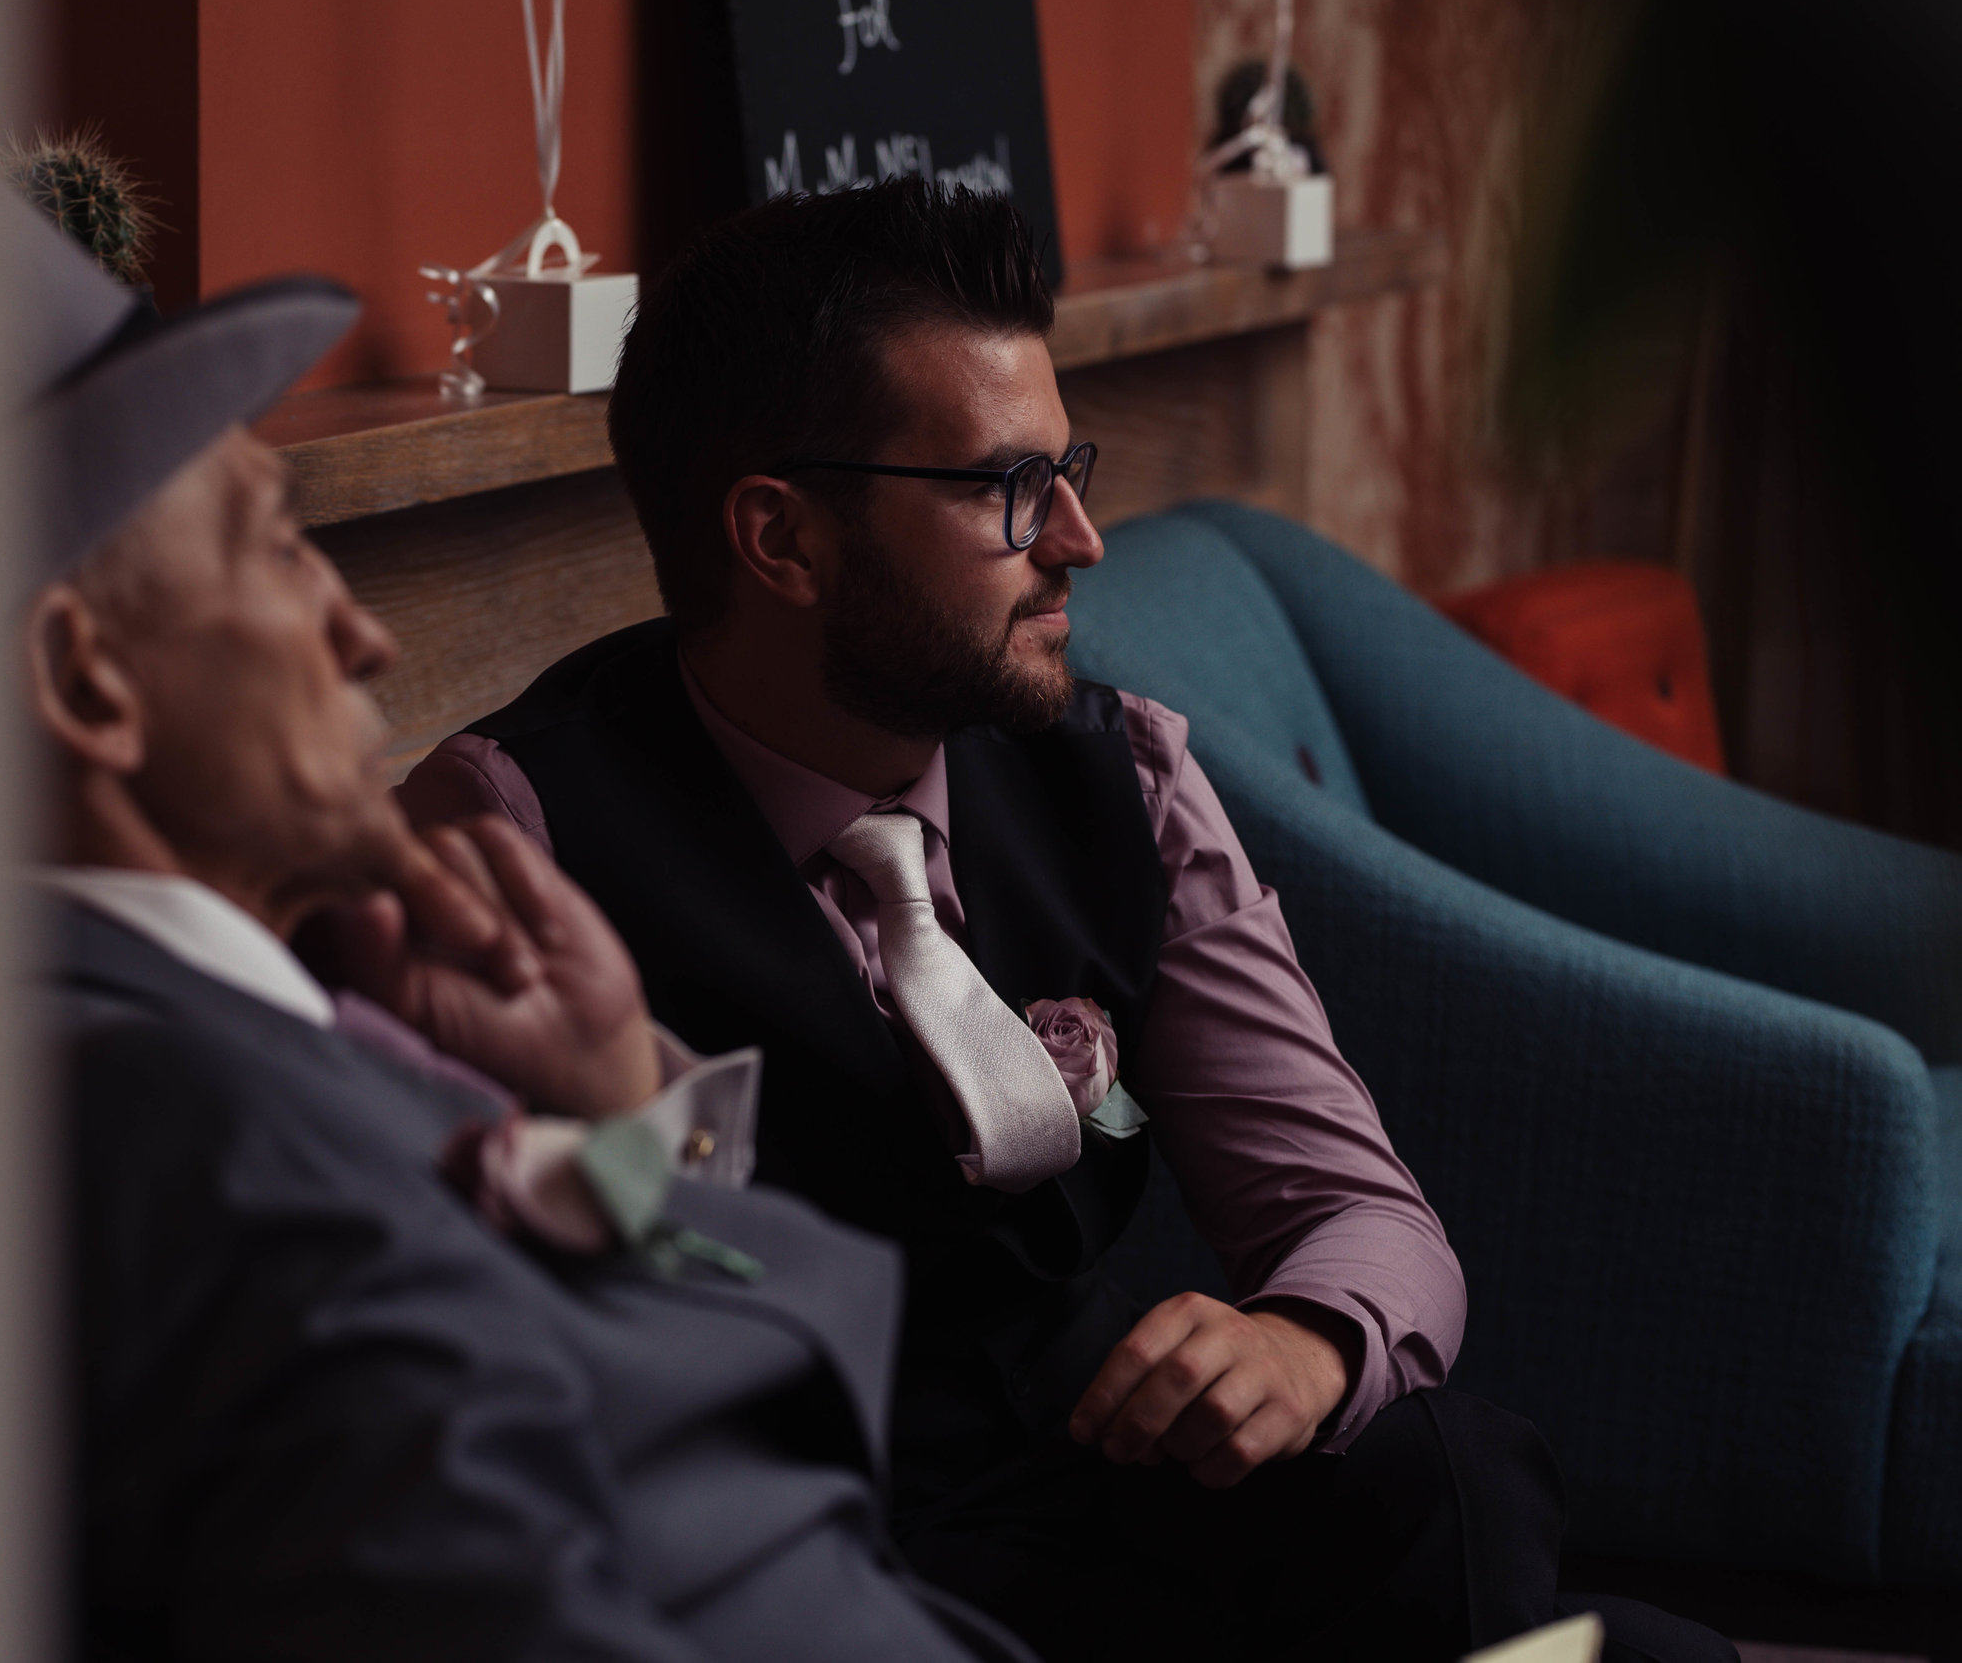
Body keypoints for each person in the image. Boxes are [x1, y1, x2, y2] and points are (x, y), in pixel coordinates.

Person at [401, 180, 1733, 1663]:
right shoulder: (510, 826)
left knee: (1455, 1477)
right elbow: (476, 1354)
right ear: (782, 538)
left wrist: (1303, 1342)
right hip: (812, 1547)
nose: (1083, 541)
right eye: (1007, 487)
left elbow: (1359, 1210)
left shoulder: (1129, 770)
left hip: (1106, 1491)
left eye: (1071, 471)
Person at [10, 198, 1035, 1662]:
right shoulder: (177, 1121)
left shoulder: (229, 1037)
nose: (361, 632)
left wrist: (615, 1086)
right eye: (277, 547)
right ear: (88, 680)